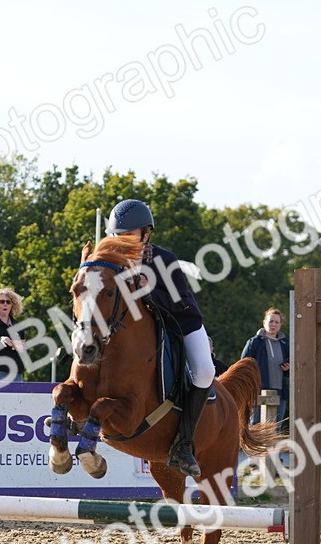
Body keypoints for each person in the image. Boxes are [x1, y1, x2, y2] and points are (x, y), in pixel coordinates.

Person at [96, 198, 214, 477]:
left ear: (145, 234)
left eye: (129, 234)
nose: (122, 240)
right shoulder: (110, 261)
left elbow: (180, 301)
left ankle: (183, 443)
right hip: (127, 333)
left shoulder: (163, 260)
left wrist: (150, 291)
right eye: (118, 235)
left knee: (205, 372)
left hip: (179, 322)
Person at [241, 307, 289, 427]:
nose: (273, 324)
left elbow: (293, 370)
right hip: (258, 391)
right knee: (256, 425)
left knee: (276, 427)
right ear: (264, 323)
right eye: (271, 321)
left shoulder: (285, 344)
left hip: (280, 391)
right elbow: (243, 366)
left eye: (277, 322)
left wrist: (288, 369)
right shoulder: (254, 342)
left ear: (280, 325)